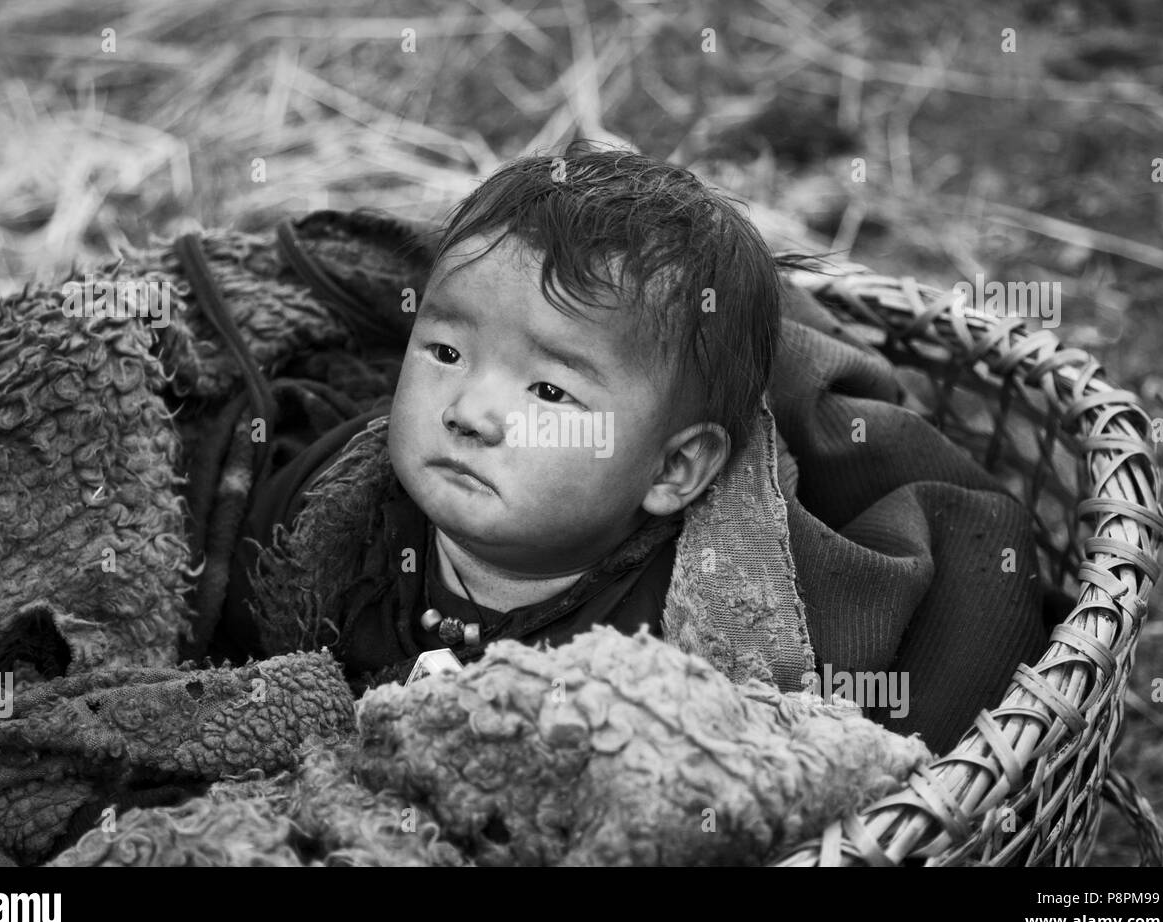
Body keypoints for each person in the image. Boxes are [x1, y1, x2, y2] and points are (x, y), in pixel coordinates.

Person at [218, 144, 1049, 754]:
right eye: (445, 353)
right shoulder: (337, 515)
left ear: (673, 469)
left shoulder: (683, 642)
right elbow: (230, 633)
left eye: (549, 392)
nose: (469, 411)